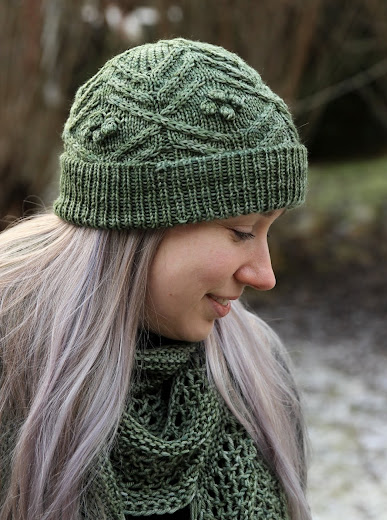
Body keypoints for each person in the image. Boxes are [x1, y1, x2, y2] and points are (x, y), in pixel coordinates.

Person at [0, 39, 310, 520]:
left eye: (269, 230)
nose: (264, 275)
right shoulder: (13, 370)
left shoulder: (258, 375)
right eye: (242, 231)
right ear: (139, 225)